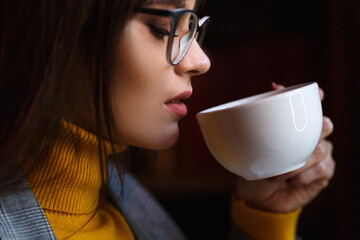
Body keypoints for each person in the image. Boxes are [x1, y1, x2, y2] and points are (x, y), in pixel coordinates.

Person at [0, 0, 335, 239]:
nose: (201, 61)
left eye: (193, 28)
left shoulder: (126, 198)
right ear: (61, 29)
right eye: (163, 27)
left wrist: (265, 217)